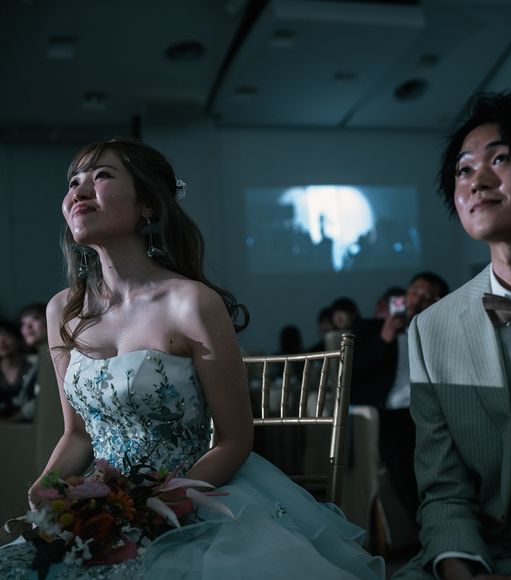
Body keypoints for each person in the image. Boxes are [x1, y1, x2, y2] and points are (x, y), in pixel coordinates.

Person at [0, 137, 384, 579]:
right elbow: (78, 435)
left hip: (192, 497)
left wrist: (159, 506)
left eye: (101, 175)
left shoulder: (192, 303)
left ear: (148, 204)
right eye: (73, 182)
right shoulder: (62, 311)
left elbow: (234, 439)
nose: (79, 191)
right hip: (101, 509)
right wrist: (44, 488)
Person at [394, 89, 511, 580]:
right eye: (463, 169)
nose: (477, 180)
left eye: (500, 159)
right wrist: (460, 564)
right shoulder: (431, 329)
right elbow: (443, 489)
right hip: (480, 557)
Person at [350, 274, 448, 522]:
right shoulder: (369, 329)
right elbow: (351, 374)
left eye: (427, 297)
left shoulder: (437, 334)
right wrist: (385, 337)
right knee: (402, 458)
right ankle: (426, 525)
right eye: (415, 291)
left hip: (430, 411)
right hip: (390, 413)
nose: (417, 299)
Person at [0, 319, 37, 421]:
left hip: (31, 425)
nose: (2, 341)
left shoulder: (34, 365)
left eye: (7, 335)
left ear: (18, 339)